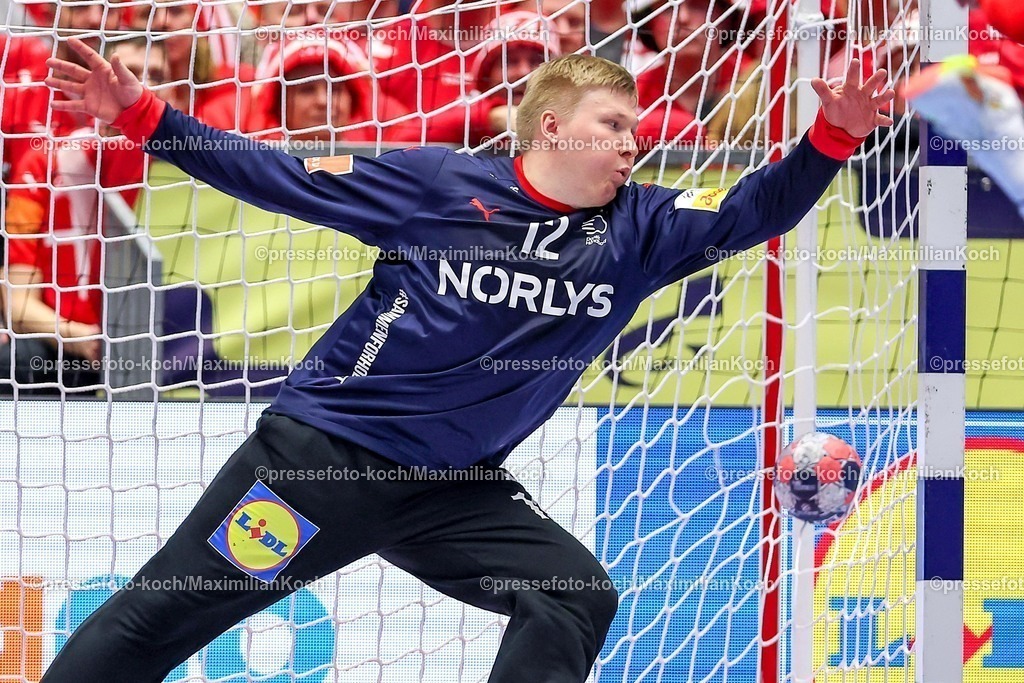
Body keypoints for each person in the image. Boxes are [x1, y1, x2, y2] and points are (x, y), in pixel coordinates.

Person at [40, 37, 892, 681]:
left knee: (573, 595)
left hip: (453, 490)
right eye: (614, 125)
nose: (633, 144)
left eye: (635, 127)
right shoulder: (434, 183)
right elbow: (280, 173)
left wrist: (832, 137)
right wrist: (147, 118)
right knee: (158, 619)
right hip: (323, 460)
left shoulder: (645, 229)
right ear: (552, 126)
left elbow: (756, 207)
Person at [1, 37, 167, 394]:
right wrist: (79, 337)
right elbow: (18, 307)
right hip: (70, 345)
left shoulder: (190, 169)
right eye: (132, 73)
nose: (143, 85)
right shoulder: (41, 164)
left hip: (173, 344)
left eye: (156, 75)